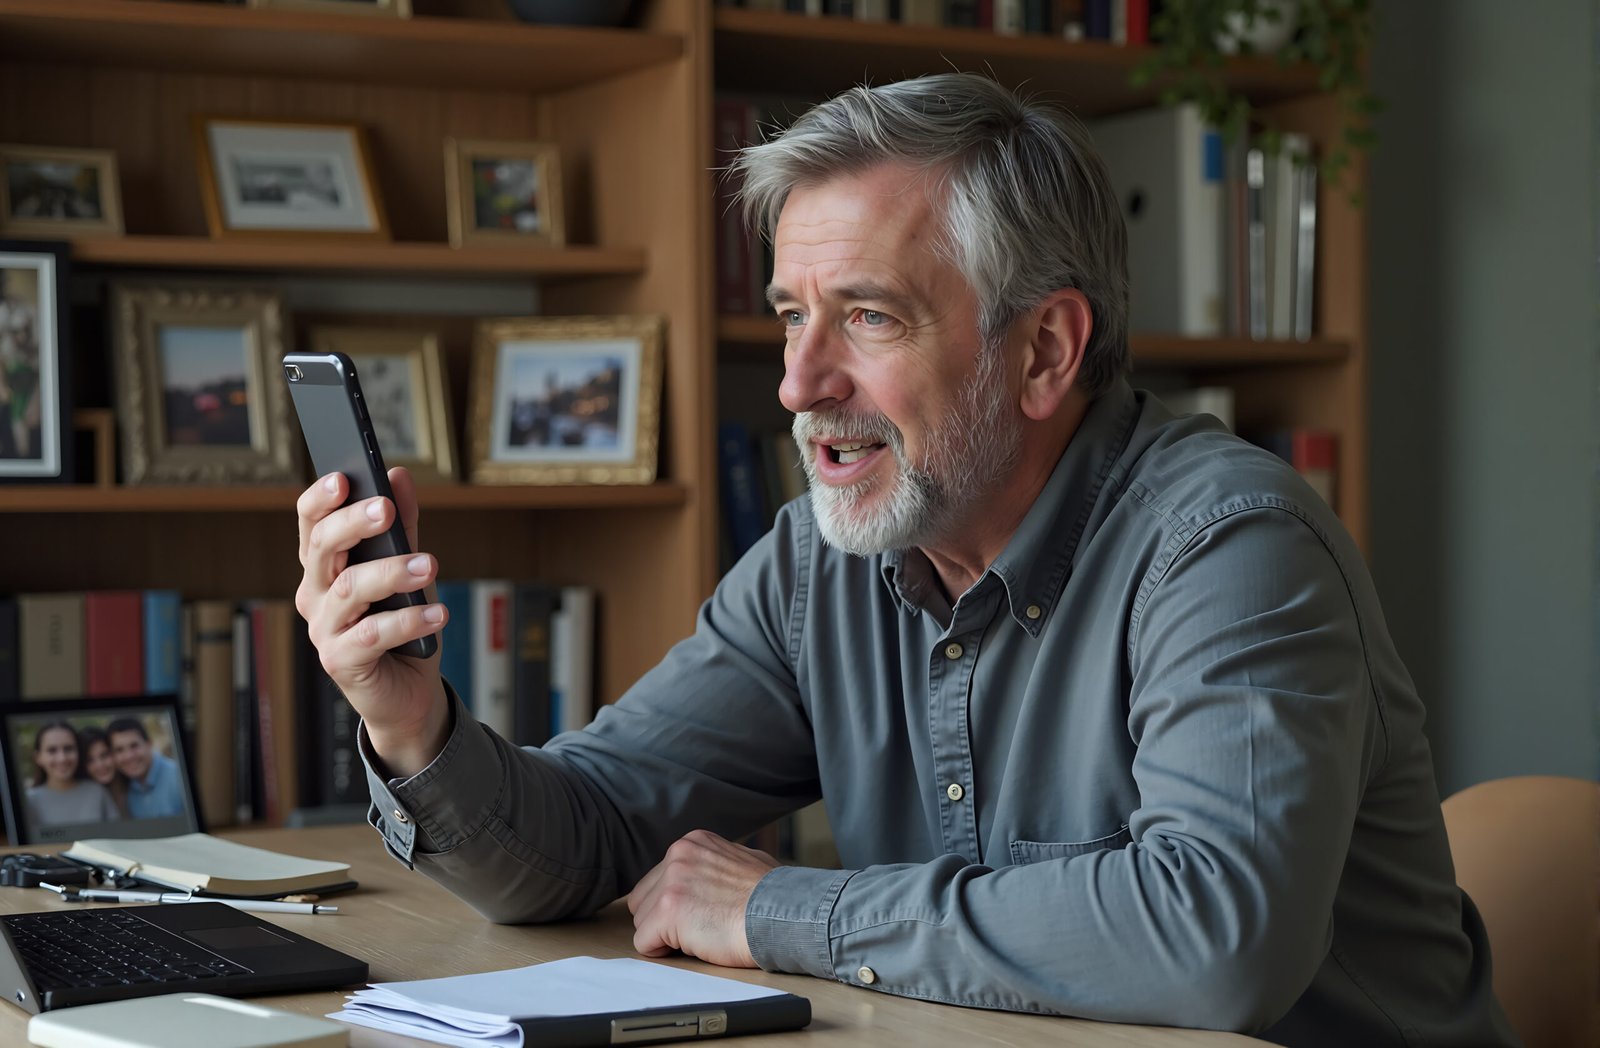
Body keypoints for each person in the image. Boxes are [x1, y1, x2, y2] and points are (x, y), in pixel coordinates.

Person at [294, 74, 1514, 1046]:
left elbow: (1216, 939)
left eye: (867, 317)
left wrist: (778, 909)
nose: (796, 382)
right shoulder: (816, 564)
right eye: (789, 314)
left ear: (1044, 351)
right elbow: (587, 834)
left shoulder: (1231, 547)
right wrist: (411, 719)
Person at [24, 721, 117, 830]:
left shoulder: (98, 792)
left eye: (68, 749)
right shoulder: (29, 801)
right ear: (38, 758)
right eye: (52, 750)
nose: (62, 758)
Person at [106, 718, 186, 819]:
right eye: (119, 750)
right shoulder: (124, 786)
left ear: (149, 744)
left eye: (134, 746)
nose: (129, 756)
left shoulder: (179, 777)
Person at [79, 726, 130, 819]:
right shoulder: (82, 801)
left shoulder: (132, 784)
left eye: (104, 755)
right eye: (90, 760)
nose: (100, 765)